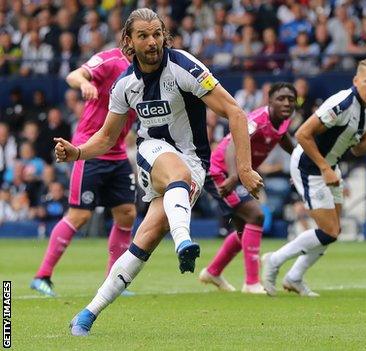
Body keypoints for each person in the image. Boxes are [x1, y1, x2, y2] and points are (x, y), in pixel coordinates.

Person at [54, 8, 262, 336]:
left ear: (164, 35)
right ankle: (183, 241)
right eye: (143, 36)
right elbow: (108, 137)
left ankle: (88, 313)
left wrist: (245, 168)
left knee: (144, 242)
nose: (152, 42)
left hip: (194, 164)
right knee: (175, 171)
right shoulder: (124, 85)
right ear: (129, 41)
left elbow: (235, 112)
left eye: (157, 34)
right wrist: (77, 152)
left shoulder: (185, 67)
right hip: (152, 152)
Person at [261, 59, 366, 297]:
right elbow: (302, 134)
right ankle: (274, 260)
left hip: (328, 166)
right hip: (309, 165)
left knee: (333, 230)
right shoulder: (342, 103)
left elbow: (356, 150)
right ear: (356, 81)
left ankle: (294, 277)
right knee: (329, 230)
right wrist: (324, 168)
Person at [30, 46, 137, 298]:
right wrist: (84, 84)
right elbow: (74, 75)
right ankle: (42, 276)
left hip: (118, 151)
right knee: (79, 215)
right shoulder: (112, 60)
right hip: (89, 149)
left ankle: (114, 283)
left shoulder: (149, 70)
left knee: (127, 214)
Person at [200, 82, 297, 294]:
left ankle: (213, 272)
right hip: (220, 171)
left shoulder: (282, 121)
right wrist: (236, 176)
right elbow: (235, 142)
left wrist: (300, 163)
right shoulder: (258, 119)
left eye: (291, 99)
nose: (287, 103)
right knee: (256, 216)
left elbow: (284, 139)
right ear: (269, 101)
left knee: (244, 229)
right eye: (281, 98)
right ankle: (251, 283)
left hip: (236, 174)